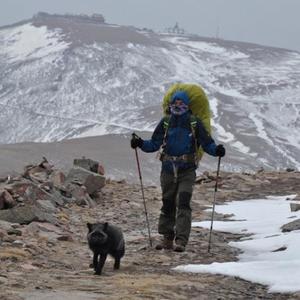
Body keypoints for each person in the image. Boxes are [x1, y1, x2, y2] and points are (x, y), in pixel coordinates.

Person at [130, 90, 225, 252]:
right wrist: (139, 143)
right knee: (167, 202)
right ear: (171, 104)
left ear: (187, 106)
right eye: (175, 103)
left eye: (182, 103)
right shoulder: (166, 122)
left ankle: (180, 241)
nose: (178, 106)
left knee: (183, 201)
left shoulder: (194, 123)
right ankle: (167, 238)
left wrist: (216, 150)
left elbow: (207, 143)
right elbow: (154, 144)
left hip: (187, 170)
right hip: (167, 169)